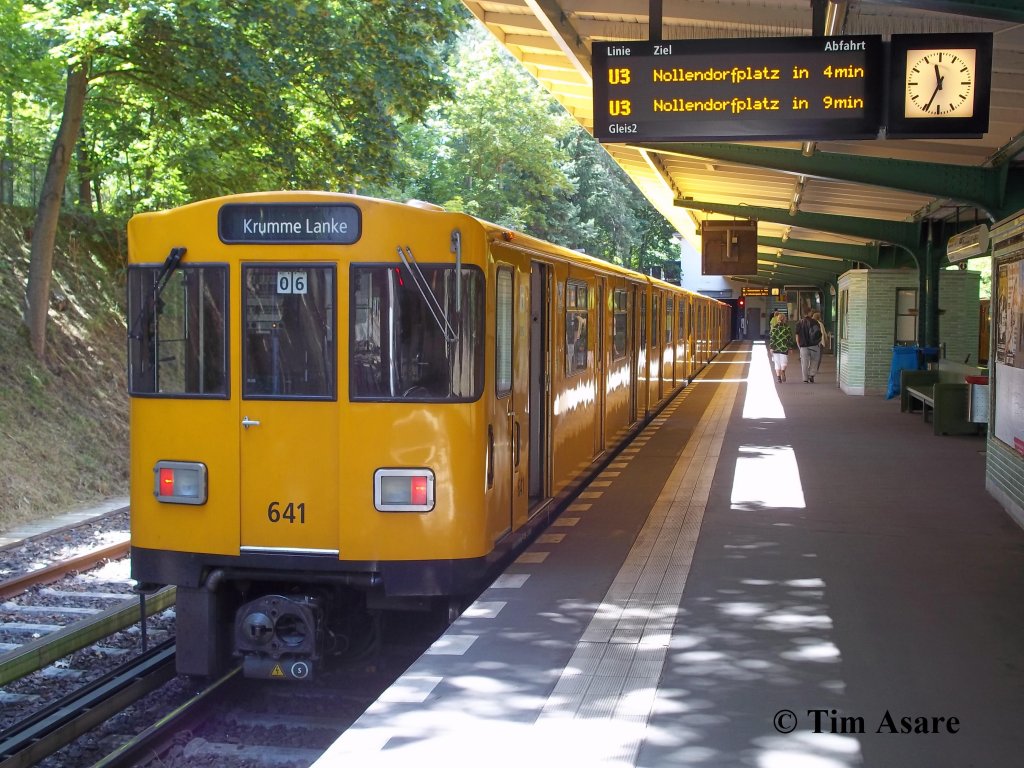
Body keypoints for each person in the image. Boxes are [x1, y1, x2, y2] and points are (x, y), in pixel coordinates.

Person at [796, 307, 823, 383]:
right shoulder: (815, 322)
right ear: (810, 312)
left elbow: (797, 337)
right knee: (814, 360)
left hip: (803, 346)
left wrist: (799, 346)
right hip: (814, 345)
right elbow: (819, 334)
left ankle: (805, 378)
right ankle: (811, 375)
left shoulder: (799, 323)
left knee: (804, 362)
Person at [769, 312, 796, 382]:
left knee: (777, 363)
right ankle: (783, 371)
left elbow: (772, 338)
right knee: (784, 362)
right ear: (784, 319)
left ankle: (778, 377)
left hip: (775, 348)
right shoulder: (787, 328)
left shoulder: (774, 328)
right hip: (784, 347)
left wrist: (771, 347)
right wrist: (790, 348)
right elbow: (790, 338)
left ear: (778, 319)